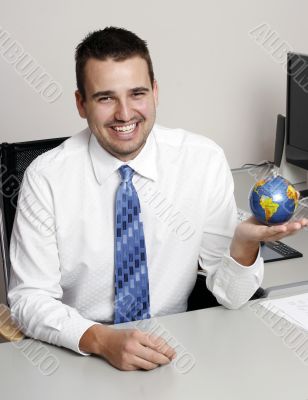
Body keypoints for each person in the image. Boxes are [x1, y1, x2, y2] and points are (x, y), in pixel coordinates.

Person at [8, 27, 308, 371]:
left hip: (176, 353)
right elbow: (28, 299)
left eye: (137, 93)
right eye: (105, 98)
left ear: (155, 92)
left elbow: (231, 296)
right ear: (81, 103)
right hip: (81, 353)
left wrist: (242, 247)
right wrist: (101, 339)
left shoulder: (201, 160)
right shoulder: (46, 178)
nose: (124, 114)